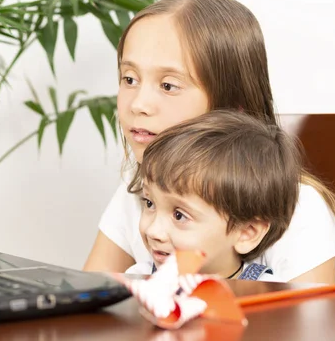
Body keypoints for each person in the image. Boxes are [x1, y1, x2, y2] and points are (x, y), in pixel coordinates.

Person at [83, 0, 335, 284]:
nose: (138, 104)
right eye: (129, 78)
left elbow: (309, 324)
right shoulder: (141, 189)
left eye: (168, 85)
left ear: (232, 108)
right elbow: (89, 294)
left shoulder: (300, 208)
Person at [125, 110, 303, 281]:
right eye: (149, 203)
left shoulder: (266, 291)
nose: (153, 231)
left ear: (246, 233)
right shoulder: (139, 278)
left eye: (179, 215)